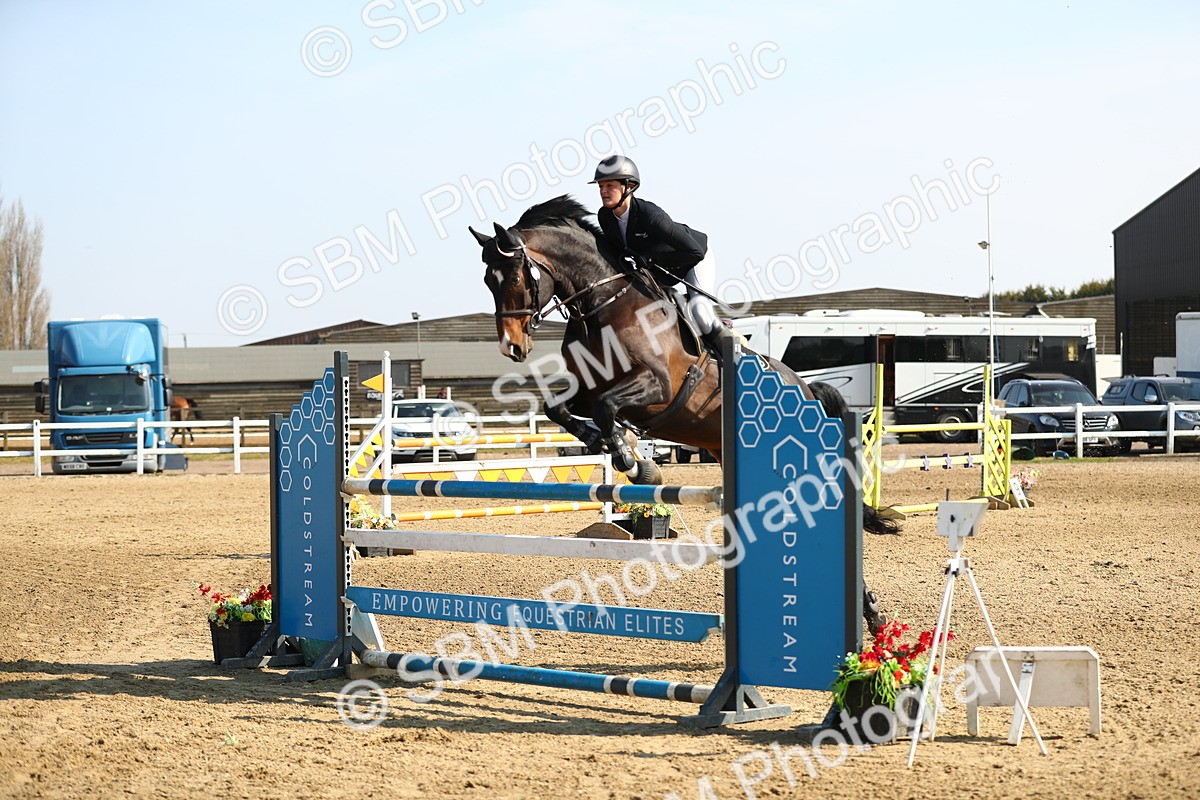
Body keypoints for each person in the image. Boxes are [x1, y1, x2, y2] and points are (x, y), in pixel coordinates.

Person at [590, 155, 728, 353]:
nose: (603, 192)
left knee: (701, 312)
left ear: (628, 186)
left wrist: (649, 259)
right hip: (657, 270)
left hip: (693, 260)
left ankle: (733, 358)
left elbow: (694, 252)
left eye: (609, 185)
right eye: (600, 187)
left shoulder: (650, 215)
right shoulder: (605, 216)